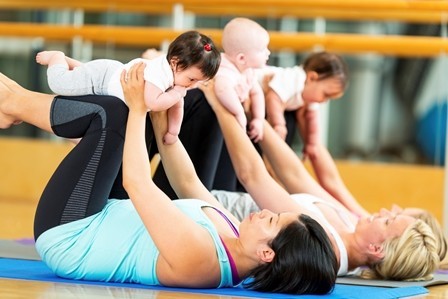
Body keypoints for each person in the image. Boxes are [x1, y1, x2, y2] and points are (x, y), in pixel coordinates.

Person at [0, 65, 338, 294]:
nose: (265, 212)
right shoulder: (237, 236)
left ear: (267, 254)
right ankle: (12, 99)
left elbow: (137, 182)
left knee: (113, 115)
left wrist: (137, 108)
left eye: (273, 221)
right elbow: (188, 183)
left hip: (71, 233)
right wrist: (161, 119)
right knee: (131, 105)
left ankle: (10, 101)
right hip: (104, 212)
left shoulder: (203, 261)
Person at [198, 79, 441, 281]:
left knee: (202, 105)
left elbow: (252, 175)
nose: (386, 211)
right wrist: (256, 117)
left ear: (376, 250)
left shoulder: (322, 241)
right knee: (287, 113)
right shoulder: (349, 228)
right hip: (226, 190)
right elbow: (296, 176)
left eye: (389, 222)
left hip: (204, 205)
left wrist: (224, 107)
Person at [35, 30, 221, 145]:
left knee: (82, 74)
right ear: (175, 63)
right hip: (103, 78)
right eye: (191, 79)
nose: (193, 86)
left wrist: (173, 131)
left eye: (198, 82)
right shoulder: (160, 73)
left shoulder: (176, 80)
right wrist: (178, 93)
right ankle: (57, 58)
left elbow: (177, 106)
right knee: (59, 84)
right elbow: (153, 102)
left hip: (112, 76)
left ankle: (71, 64)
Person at [257, 52, 348, 158]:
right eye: (325, 95)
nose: (325, 101)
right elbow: (273, 97)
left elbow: (312, 120)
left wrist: (311, 144)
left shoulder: (310, 95)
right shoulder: (295, 78)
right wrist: (279, 124)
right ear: (312, 78)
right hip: (249, 83)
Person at [214, 17, 270, 143]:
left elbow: (256, 93)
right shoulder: (226, 70)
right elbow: (222, 90)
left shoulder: (248, 71)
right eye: (263, 50)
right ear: (241, 59)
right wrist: (239, 112)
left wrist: (258, 119)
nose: (268, 53)